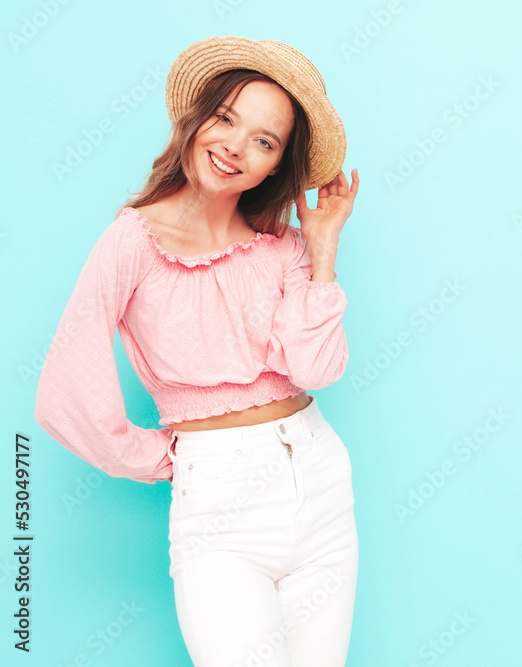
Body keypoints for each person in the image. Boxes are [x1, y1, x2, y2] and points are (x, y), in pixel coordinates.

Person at [34, 36, 360, 666]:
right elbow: (65, 388)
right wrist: (163, 456)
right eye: (226, 118)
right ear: (196, 120)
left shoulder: (283, 248)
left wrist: (322, 251)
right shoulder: (133, 240)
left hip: (319, 480)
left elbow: (318, 369)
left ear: (276, 167)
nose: (236, 147)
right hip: (221, 501)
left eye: (264, 141)